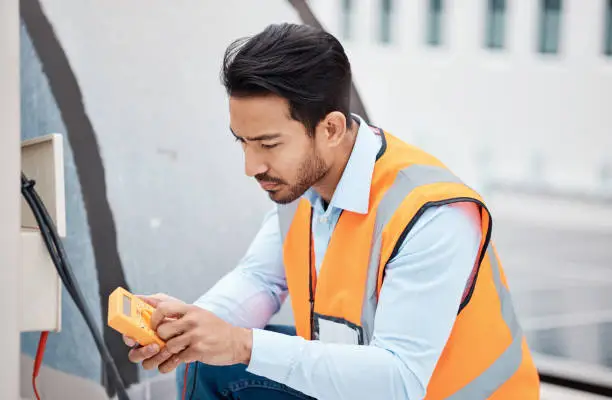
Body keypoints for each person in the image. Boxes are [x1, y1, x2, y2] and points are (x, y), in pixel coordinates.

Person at [123, 23, 540, 399]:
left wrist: (240, 344)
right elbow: (261, 279)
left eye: (268, 144)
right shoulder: (302, 184)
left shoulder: (433, 215)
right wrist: (191, 326)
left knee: (237, 353)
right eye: (243, 142)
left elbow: (399, 380)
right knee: (207, 362)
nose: (251, 167)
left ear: (332, 129)